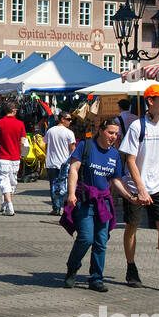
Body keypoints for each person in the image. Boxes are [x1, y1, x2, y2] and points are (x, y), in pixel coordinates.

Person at [118, 84, 159, 292]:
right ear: (150, 101)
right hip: (137, 186)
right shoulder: (138, 127)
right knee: (132, 226)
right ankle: (131, 268)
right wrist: (140, 187)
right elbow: (130, 159)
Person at [62, 117, 130, 292]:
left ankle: (96, 278)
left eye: (116, 133)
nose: (113, 136)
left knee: (101, 240)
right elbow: (74, 169)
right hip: (85, 200)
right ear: (101, 131)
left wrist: (130, 196)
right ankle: (72, 268)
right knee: (86, 237)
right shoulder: (86, 146)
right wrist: (71, 193)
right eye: (110, 132)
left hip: (103, 203)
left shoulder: (115, 154)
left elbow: (115, 180)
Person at [45, 111, 78, 215]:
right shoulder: (69, 133)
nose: (70, 121)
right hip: (64, 162)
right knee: (65, 185)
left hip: (51, 162)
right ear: (62, 119)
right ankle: (65, 208)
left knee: (54, 185)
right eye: (68, 119)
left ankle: (56, 208)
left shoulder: (50, 131)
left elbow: (46, 145)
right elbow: (72, 149)